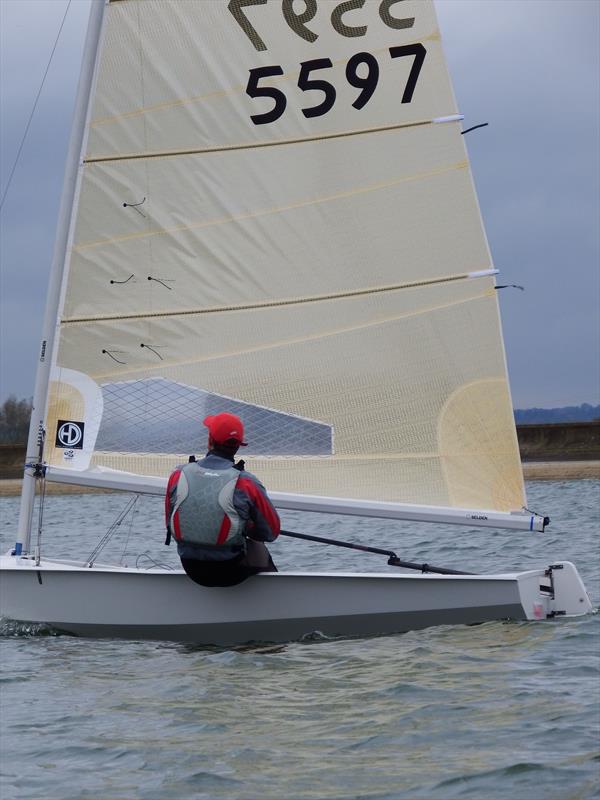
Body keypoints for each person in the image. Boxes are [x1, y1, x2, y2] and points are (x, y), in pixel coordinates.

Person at [165, 412, 280, 587]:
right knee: (259, 545)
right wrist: (244, 527)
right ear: (238, 447)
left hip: (191, 569)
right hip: (231, 572)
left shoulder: (178, 475)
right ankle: (272, 604)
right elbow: (271, 533)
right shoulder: (247, 483)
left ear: (210, 440)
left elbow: (169, 521)